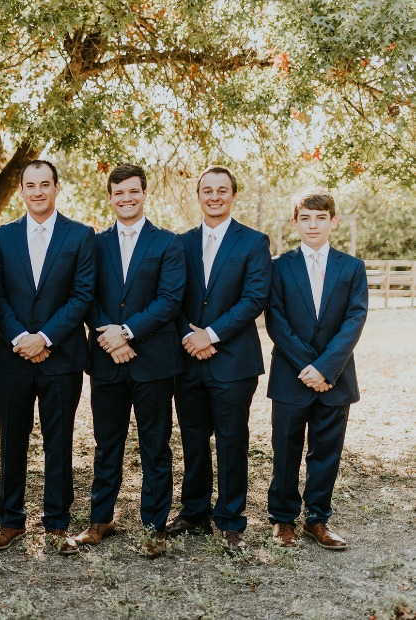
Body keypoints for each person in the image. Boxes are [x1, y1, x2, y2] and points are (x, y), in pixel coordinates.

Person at [0, 160, 95, 555]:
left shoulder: (81, 235)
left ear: (56, 188)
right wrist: (21, 338)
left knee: (59, 441)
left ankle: (56, 522)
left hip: (62, 357)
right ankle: (10, 521)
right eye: (30, 185)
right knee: (11, 440)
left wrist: (45, 337)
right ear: (21, 190)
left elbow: (82, 295)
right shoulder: (3, 236)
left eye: (44, 184)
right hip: (13, 357)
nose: (37, 192)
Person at [78, 164, 185, 557]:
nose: (126, 198)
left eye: (133, 192)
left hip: (153, 360)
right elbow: (84, 294)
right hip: (107, 360)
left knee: (155, 445)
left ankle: (154, 526)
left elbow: (170, 300)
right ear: (110, 197)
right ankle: (100, 518)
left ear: (144, 195)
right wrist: (110, 336)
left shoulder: (168, 243)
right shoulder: (94, 242)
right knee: (107, 444)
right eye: (119, 192)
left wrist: (126, 333)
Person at [170, 165, 272, 552]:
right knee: (193, 439)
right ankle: (194, 511)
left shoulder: (253, 242)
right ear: (198, 196)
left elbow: (254, 299)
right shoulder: (179, 243)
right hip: (188, 358)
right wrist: (188, 336)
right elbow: (170, 298)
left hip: (233, 361)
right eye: (207, 190)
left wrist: (209, 335)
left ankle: (231, 520)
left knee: (232, 440)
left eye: (222, 190)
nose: (214, 196)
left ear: (233, 195)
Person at [265, 191, 367, 550]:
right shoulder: (278, 266)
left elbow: (355, 319)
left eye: (320, 218)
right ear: (295, 223)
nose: (312, 225)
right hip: (291, 375)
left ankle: (318, 519)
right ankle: (282, 519)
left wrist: (324, 368)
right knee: (286, 449)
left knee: (326, 451)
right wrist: (307, 366)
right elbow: (275, 319)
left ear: (333, 222)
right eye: (305, 218)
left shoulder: (352, 267)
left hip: (335, 378)